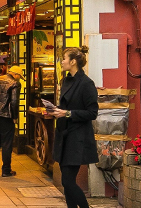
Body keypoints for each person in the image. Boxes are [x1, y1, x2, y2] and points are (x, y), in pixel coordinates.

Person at [45, 47, 100, 208]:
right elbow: (66, 105)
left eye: (64, 58)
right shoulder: (66, 80)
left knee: (68, 182)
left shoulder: (86, 84)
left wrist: (67, 113)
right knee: (65, 181)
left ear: (73, 61)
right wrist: (55, 110)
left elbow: (92, 112)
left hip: (78, 138)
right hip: (64, 135)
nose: (62, 61)